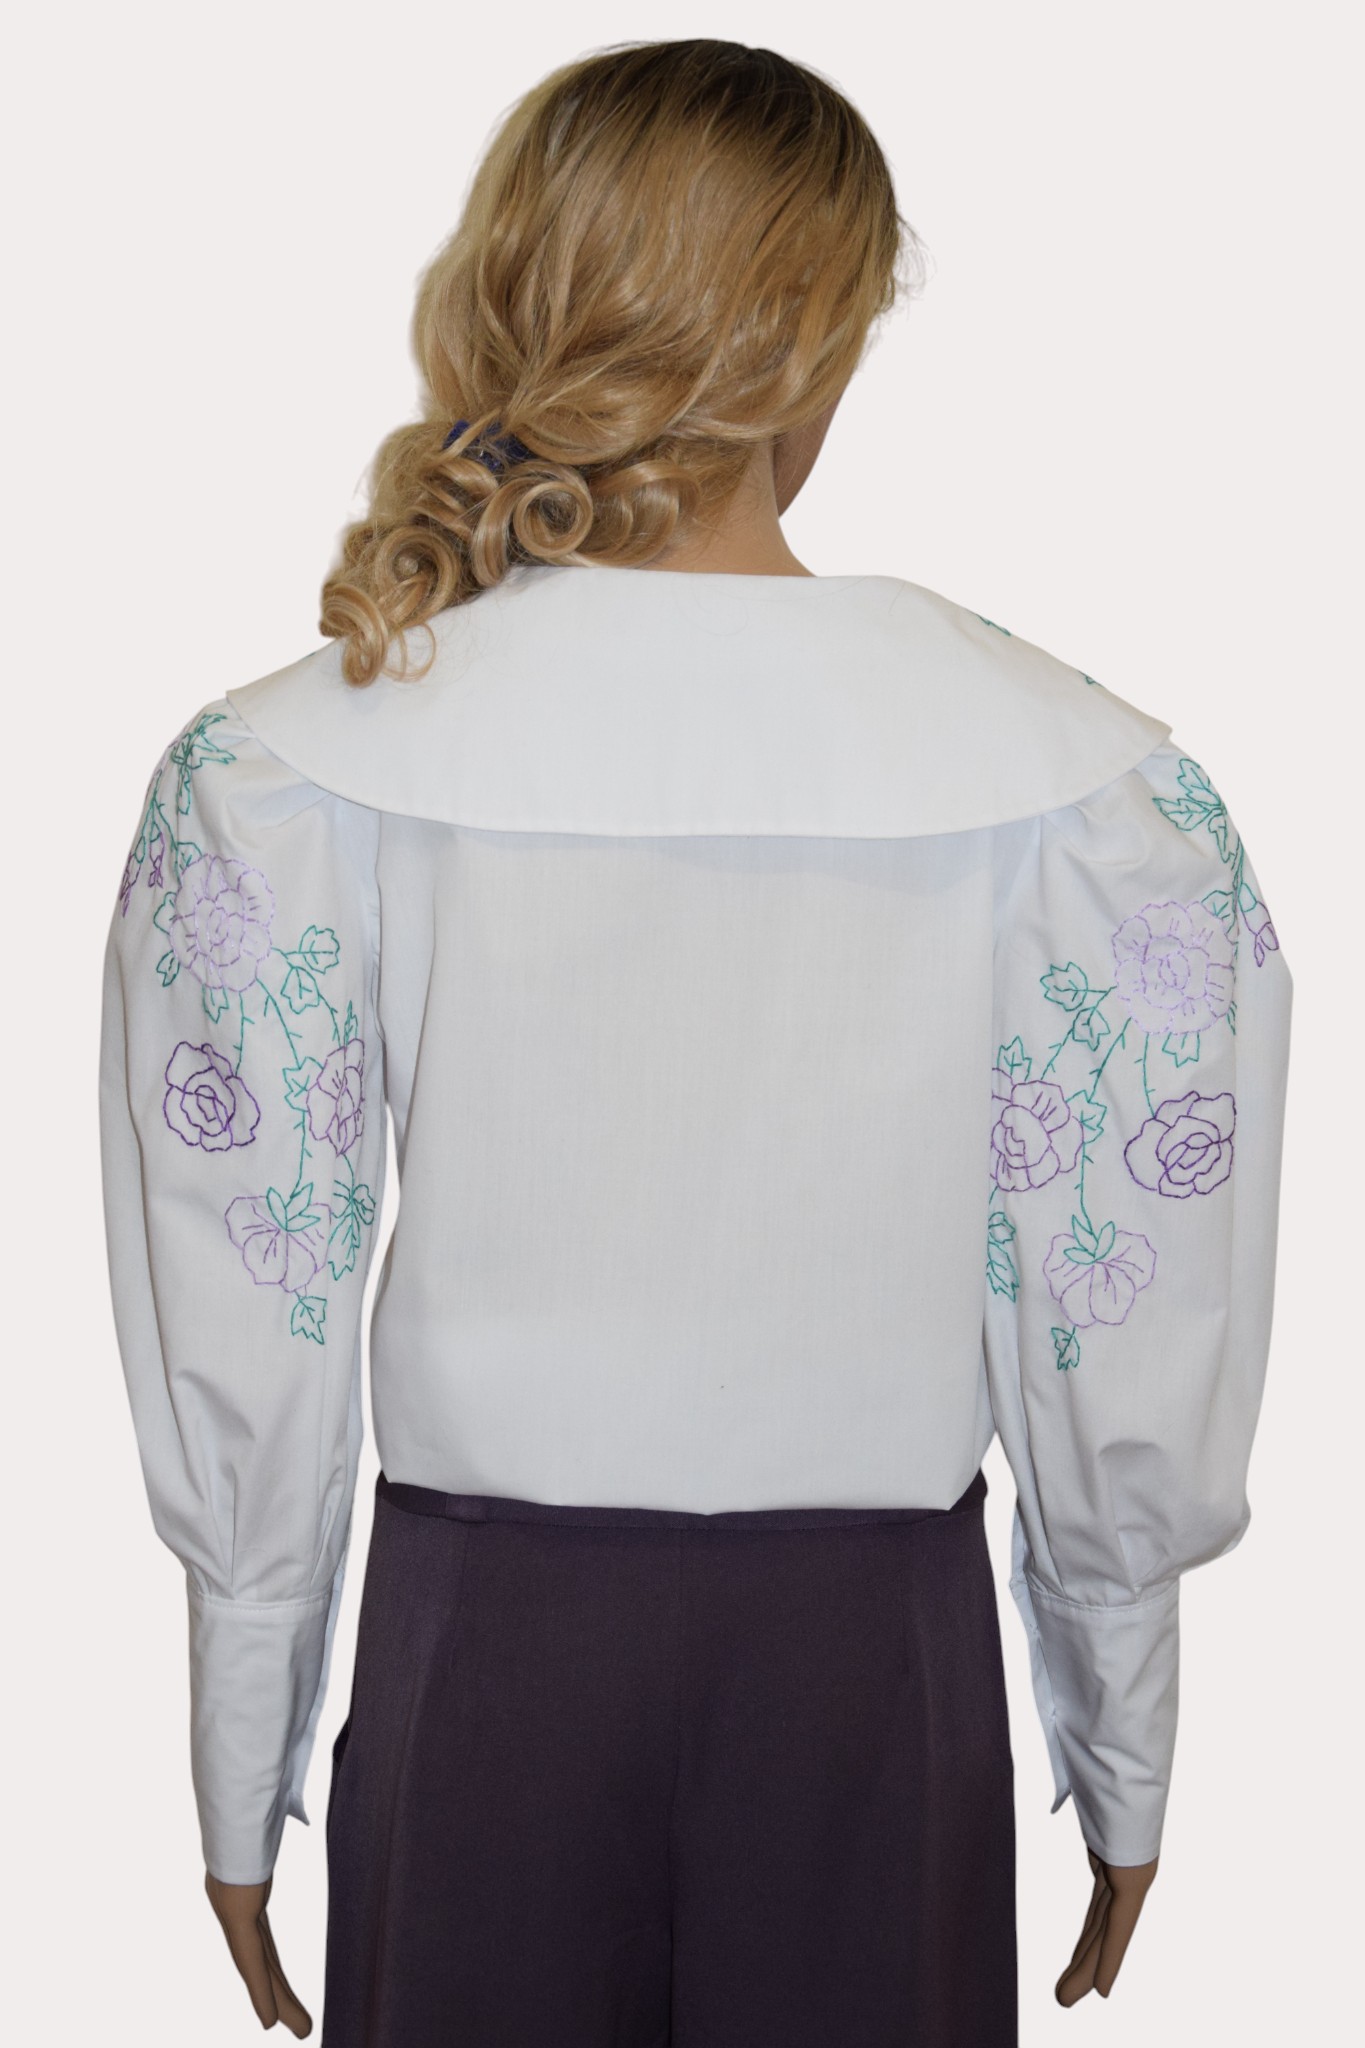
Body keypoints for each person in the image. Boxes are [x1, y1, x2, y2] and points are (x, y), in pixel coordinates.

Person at [98, 38, 1292, 2048]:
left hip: (484, 1653)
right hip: (869, 1663)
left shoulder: (292, 771)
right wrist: (1123, 1729)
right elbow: (1117, 1300)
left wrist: (240, 1746)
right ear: (815, 344)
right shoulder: (1077, 788)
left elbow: (254, 1297)